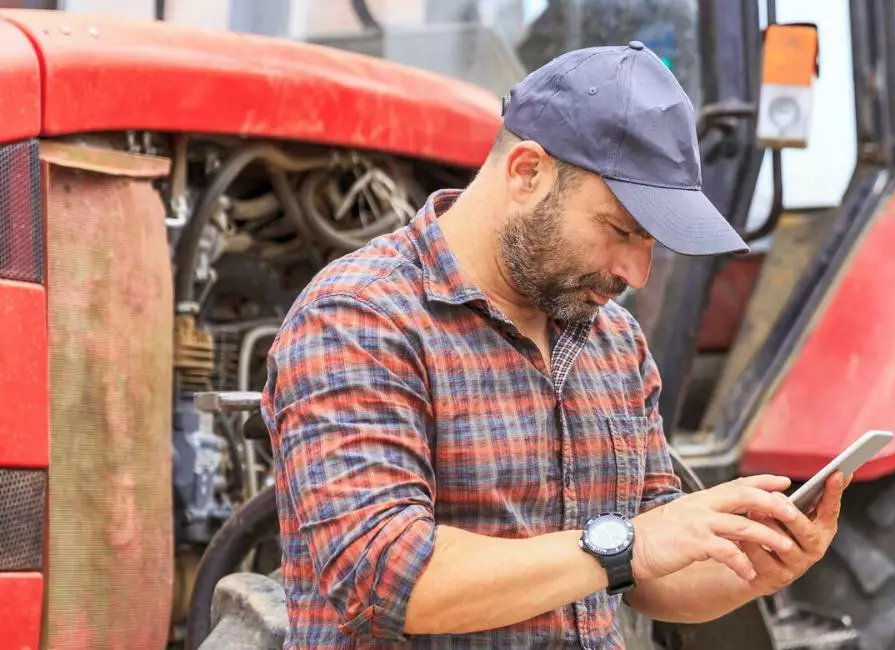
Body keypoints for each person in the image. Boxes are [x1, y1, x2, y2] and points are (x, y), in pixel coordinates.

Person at [261, 41, 848, 648]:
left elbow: (651, 578)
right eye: (622, 229)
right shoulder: (360, 318)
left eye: (652, 243)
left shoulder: (614, 340)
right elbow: (386, 577)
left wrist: (750, 567)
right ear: (527, 172)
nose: (637, 273)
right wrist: (630, 544)